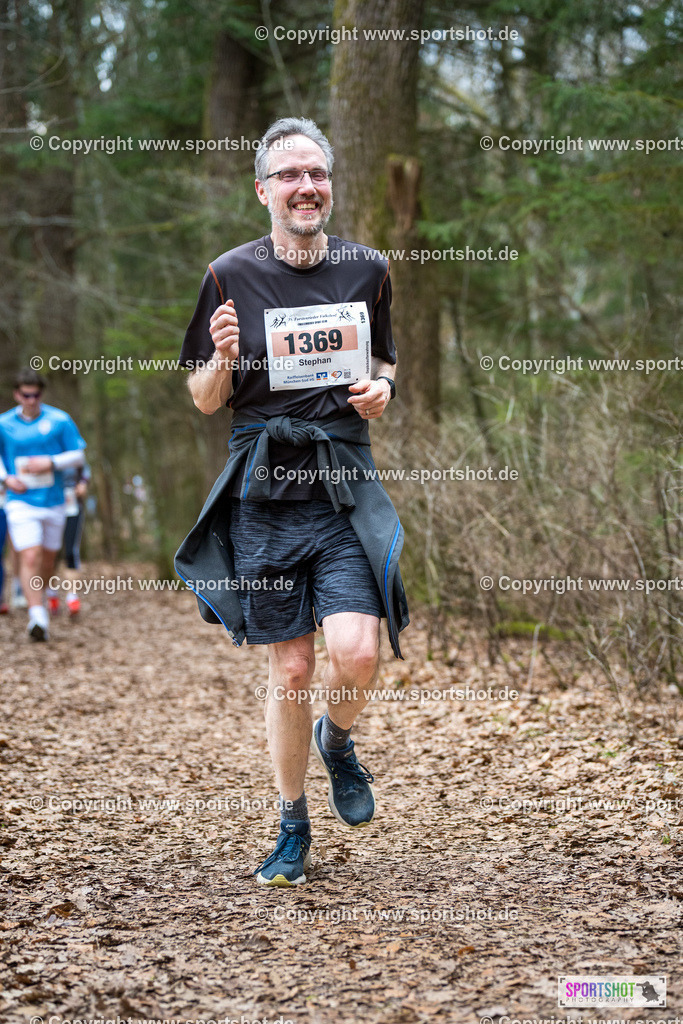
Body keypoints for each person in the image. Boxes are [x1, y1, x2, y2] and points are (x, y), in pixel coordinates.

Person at [175, 117, 409, 887]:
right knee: (292, 664)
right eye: (289, 175)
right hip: (265, 493)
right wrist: (222, 359)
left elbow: (383, 360)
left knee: (358, 653)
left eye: (316, 173)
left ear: (328, 186)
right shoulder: (226, 274)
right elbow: (203, 398)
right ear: (263, 191)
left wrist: (382, 389)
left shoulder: (367, 268)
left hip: (341, 486)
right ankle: (291, 825)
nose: (305, 187)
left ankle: (334, 740)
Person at [0, 369, 87, 641]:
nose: (31, 400)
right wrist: (6, 478)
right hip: (20, 501)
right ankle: (37, 618)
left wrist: (51, 462)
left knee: (48, 560)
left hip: (54, 501)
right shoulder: (4, 424)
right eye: (26, 395)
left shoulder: (59, 420)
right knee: (30, 555)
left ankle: (47, 590)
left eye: (36, 395)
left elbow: (78, 455)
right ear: (17, 395)